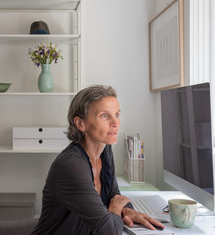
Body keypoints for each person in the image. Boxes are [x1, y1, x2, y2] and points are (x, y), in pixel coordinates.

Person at [31, 85, 164, 235]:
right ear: (80, 124)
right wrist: (114, 210)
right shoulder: (70, 166)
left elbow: (115, 195)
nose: (116, 123)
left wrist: (127, 210)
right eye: (104, 116)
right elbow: (110, 231)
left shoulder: (104, 149)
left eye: (117, 114)